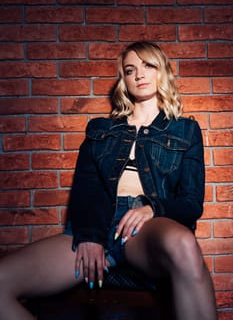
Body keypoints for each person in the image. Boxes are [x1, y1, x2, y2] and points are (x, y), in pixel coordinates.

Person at [0, 41, 217, 320]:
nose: (139, 74)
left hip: (147, 228)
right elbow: (86, 188)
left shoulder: (186, 130)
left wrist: (152, 208)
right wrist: (90, 236)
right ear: (124, 81)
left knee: (184, 244)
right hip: (98, 223)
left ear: (162, 71)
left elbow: (190, 202)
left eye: (147, 65)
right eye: (130, 70)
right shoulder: (101, 129)